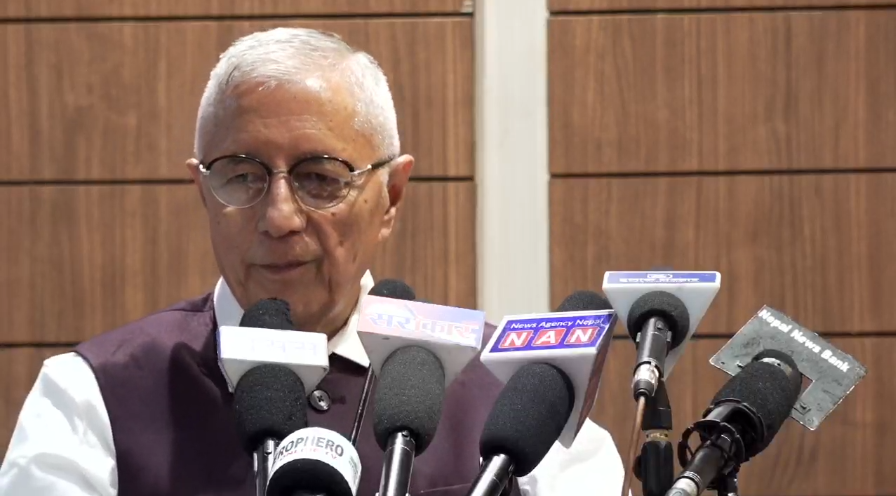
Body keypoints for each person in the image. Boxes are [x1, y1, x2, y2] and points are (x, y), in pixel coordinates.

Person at [0, 28, 626, 496]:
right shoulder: (92, 396)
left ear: (391, 196)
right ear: (203, 192)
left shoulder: (512, 398)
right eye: (241, 176)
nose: (279, 217)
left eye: (321, 178)